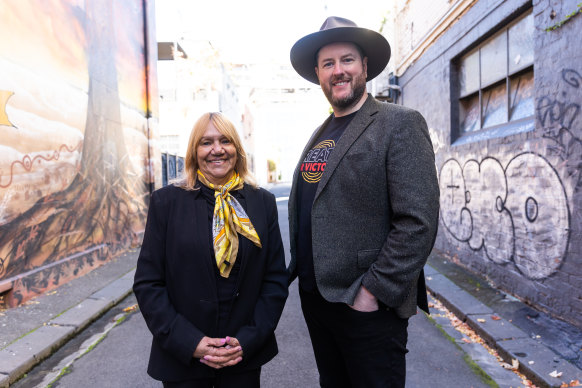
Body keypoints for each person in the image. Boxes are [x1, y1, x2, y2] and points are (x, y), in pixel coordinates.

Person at [287, 16, 440, 388]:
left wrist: (372, 293)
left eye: (347, 60)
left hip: (365, 307)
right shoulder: (321, 132)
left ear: (365, 66)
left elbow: (417, 222)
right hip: (318, 302)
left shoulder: (399, 124)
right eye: (328, 64)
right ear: (318, 74)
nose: (338, 71)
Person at [134, 112, 288, 387]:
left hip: (241, 358)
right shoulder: (166, 203)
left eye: (225, 141)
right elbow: (148, 283)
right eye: (206, 142)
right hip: (183, 360)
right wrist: (190, 342)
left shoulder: (262, 202)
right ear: (194, 152)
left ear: (237, 150)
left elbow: (274, 280)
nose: (217, 149)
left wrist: (248, 339)